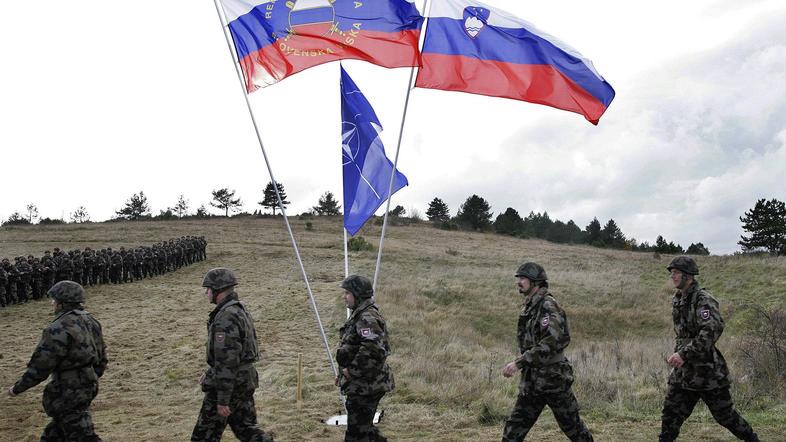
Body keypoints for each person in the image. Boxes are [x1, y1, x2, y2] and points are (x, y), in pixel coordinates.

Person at [659, 256, 759, 442]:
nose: (672, 277)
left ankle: (752, 439)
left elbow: (711, 330)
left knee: (725, 416)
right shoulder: (679, 299)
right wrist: (680, 355)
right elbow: (684, 334)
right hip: (684, 372)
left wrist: (683, 354)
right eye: (671, 273)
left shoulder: (703, 300)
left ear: (688, 276)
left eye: (676, 273)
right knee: (671, 413)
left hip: (706, 372)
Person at [501, 262, 593, 442]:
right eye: (518, 278)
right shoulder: (530, 307)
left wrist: (519, 363)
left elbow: (551, 342)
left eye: (523, 278)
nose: (519, 282)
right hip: (533, 381)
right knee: (513, 430)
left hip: (553, 380)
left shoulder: (548, 306)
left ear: (535, 282)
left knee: (574, 429)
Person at [7, 280, 107, 441]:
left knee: (83, 435)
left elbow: (40, 367)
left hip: (67, 391)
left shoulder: (57, 328)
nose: (51, 303)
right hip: (87, 386)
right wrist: (89, 377)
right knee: (55, 434)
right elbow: (101, 359)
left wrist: (17, 388)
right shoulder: (91, 321)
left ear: (62, 302)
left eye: (54, 299)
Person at [192, 268, 273, 442]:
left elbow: (227, 361)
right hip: (243, 381)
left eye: (208, 289)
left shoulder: (225, 317)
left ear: (217, 290)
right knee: (247, 430)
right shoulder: (238, 309)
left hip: (230, 384)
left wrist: (222, 400)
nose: (206, 292)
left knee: (203, 436)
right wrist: (210, 373)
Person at [335, 275, 394, 442]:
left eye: (347, 293)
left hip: (367, 386)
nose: (344, 297)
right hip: (363, 384)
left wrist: (351, 372)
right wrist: (343, 373)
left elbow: (373, 350)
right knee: (364, 430)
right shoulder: (361, 314)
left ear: (358, 294)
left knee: (356, 435)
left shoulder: (367, 317)